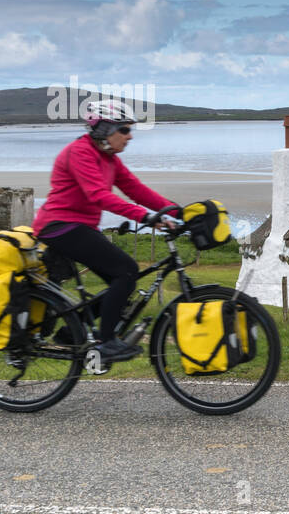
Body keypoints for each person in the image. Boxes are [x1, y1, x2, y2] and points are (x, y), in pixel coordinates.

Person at [32, 100, 181, 363]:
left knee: (123, 279)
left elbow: (136, 190)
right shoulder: (80, 152)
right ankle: (106, 341)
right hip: (59, 226)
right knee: (125, 271)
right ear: (104, 129)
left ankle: (72, 329)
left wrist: (178, 212)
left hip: (78, 227)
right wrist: (145, 216)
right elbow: (99, 195)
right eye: (124, 130)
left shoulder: (108, 158)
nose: (129, 136)